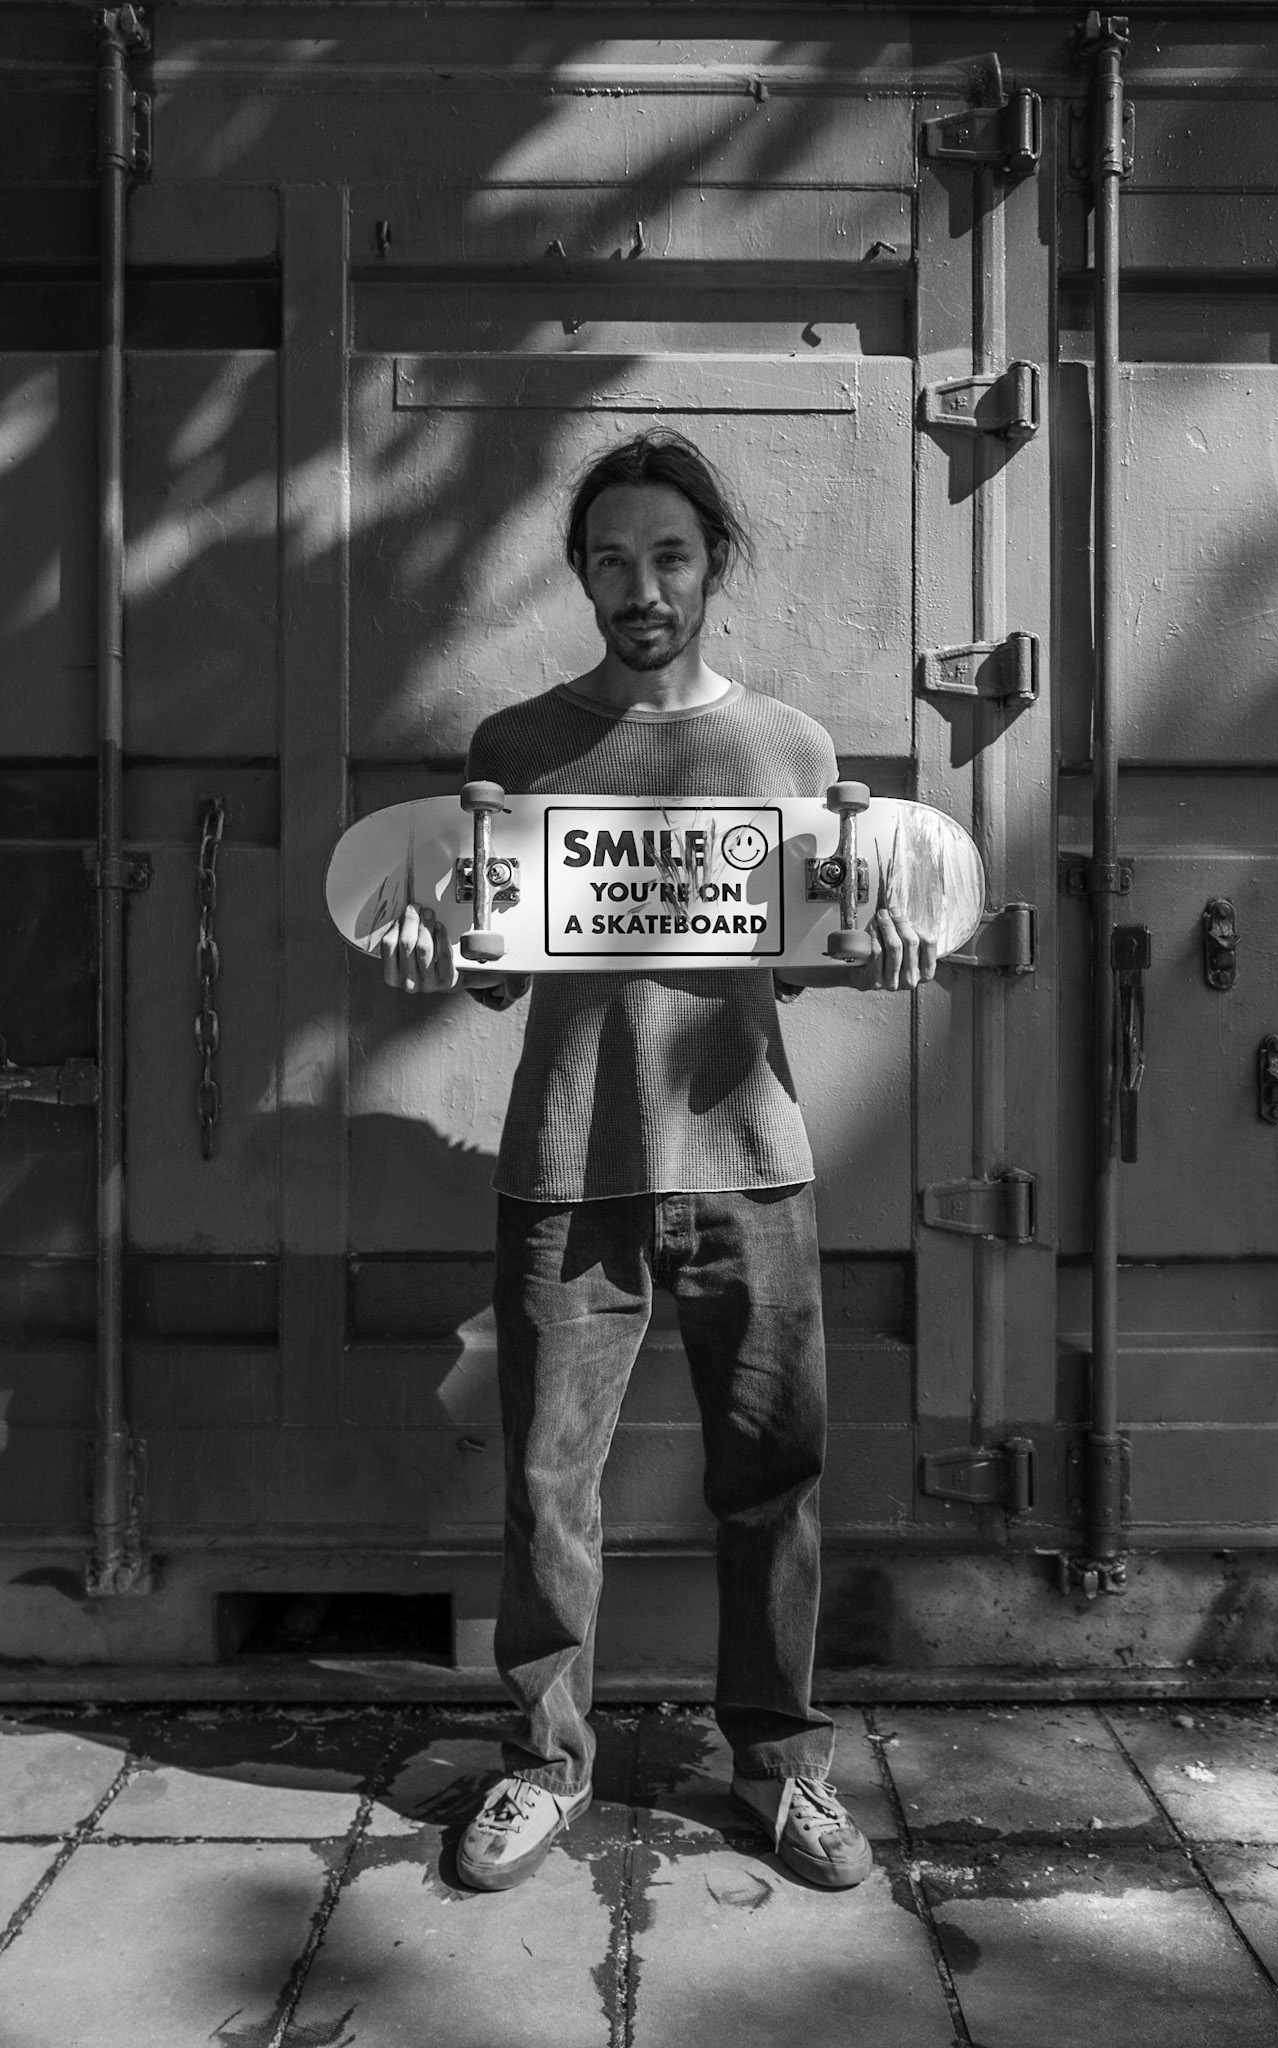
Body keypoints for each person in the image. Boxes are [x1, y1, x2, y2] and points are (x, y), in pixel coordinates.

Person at [381, 430, 934, 1894]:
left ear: (711, 569)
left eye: (668, 556)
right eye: (612, 559)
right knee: (550, 1485)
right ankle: (543, 1763)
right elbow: (498, 969)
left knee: (774, 1483)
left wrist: (880, 947)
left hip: (750, 1162)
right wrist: (435, 943)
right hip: (565, 1167)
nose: (641, 586)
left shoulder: (792, 752)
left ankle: (782, 1769)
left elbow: (804, 958)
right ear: (581, 574)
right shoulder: (511, 749)